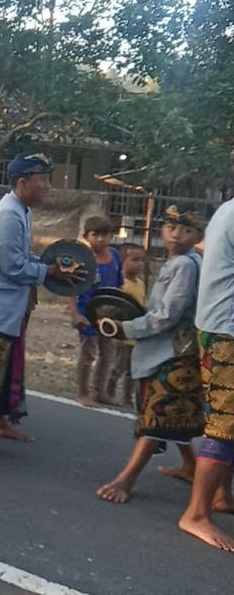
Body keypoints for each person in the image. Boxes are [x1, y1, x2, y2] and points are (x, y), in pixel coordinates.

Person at [0, 153, 83, 468]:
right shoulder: (8, 216)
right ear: (23, 182)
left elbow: (22, 257)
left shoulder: (21, 211)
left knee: (4, 366)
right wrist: (49, 272)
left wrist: (49, 266)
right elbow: (12, 266)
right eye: (44, 181)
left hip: (6, 303)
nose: (48, 187)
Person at [95, 205, 205, 504]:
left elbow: (166, 316)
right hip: (173, 349)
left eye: (186, 229)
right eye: (171, 227)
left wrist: (125, 328)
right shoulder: (181, 261)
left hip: (174, 351)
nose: (176, 233)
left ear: (198, 235)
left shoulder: (185, 265)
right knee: (172, 412)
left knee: (158, 414)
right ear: (162, 230)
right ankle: (192, 467)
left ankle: (125, 480)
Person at [179, 198, 234, 551]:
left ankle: (220, 494)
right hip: (227, 330)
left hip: (220, 325)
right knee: (225, 420)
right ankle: (195, 514)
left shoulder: (228, 209)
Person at [69, 216, 124, 407]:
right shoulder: (82, 258)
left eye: (105, 235)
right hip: (87, 313)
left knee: (108, 353)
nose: (101, 239)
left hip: (109, 315)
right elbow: (71, 288)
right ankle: (83, 392)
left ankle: (100, 391)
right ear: (87, 236)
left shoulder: (115, 256)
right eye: (96, 235)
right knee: (88, 354)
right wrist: (75, 314)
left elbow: (119, 284)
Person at [105, 243, 148, 407]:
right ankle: (108, 393)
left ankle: (127, 399)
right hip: (122, 333)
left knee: (132, 370)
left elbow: (143, 305)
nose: (139, 264)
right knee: (118, 367)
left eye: (142, 260)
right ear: (122, 261)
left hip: (136, 334)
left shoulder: (141, 284)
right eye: (135, 260)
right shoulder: (121, 284)